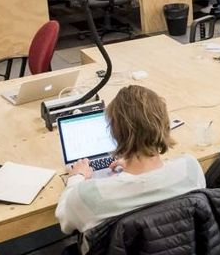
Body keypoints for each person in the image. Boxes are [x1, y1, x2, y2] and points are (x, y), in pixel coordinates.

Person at [56, 85, 205, 237]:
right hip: (185, 251)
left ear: (114, 134)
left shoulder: (90, 195)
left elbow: (65, 221)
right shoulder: (190, 168)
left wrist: (76, 178)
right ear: (165, 125)